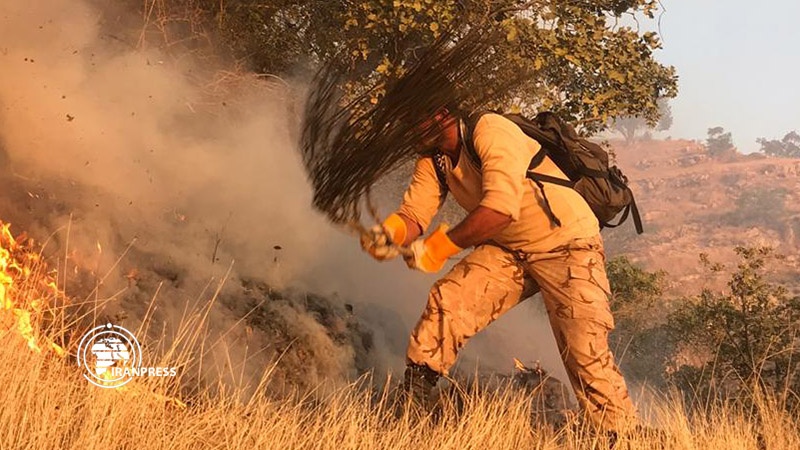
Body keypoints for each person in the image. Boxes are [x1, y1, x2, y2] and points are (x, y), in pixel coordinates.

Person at [360, 107, 638, 433]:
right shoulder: (433, 160)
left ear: (440, 115)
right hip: (510, 249)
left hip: (569, 245)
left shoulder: (490, 129)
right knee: (449, 301)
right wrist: (389, 234)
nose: (407, 130)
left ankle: (618, 435)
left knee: (584, 349)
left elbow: (499, 211)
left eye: (414, 118)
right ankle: (411, 410)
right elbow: (414, 215)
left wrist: (439, 247)